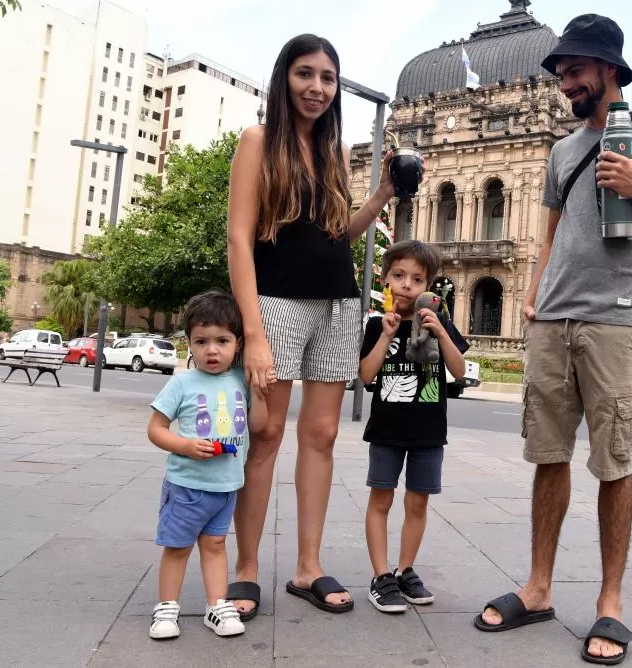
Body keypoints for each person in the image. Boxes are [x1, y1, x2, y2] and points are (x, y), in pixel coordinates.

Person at [473, 13, 632, 666]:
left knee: (613, 463)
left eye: (574, 69)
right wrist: (532, 292)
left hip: (615, 323)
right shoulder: (561, 150)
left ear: (609, 68)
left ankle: (610, 603)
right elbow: (550, 235)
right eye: (560, 72)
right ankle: (540, 586)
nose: (565, 82)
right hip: (553, 321)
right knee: (548, 455)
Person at [225, 34, 398, 619]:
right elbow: (239, 239)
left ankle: (308, 566)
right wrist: (252, 329)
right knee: (267, 433)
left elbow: (334, 237)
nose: (317, 88)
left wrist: (379, 197)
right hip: (275, 301)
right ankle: (246, 569)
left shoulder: (332, 154)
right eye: (306, 74)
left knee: (320, 435)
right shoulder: (256, 142)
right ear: (284, 79)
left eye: (327, 78)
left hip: (337, 303)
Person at [147, 291, 270, 639]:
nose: (212, 350)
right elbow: (155, 430)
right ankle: (167, 607)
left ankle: (217, 605)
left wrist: (259, 393)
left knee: (215, 545)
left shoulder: (239, 381)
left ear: (238, 343)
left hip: (226, 486)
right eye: (201, 342)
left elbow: (258, 426)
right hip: (186, 484)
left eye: (222, 341)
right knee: (178, 547)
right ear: (189, 344)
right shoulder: (182, 383)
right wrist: (184, 445)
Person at [359, 241, 468, 613]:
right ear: (386, 279)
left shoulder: (438, 323)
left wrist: (439, 332)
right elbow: (366, 375)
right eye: (399, 276)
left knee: (417, 502)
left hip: (428, 432)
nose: (407, 285)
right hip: (387, 430)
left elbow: (459, 372)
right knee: (381, 499)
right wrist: (387, 334)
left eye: (417, 279)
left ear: (429, 286)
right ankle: (380, 576)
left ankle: (405, 570)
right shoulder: (377, 325)